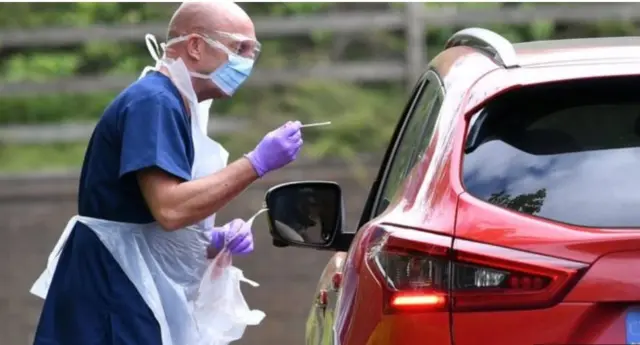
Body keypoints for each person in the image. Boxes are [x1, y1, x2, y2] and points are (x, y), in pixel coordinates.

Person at [29, 2, 303, 345]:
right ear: (195, 46)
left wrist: (209, 241)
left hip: (131, 281)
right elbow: (170, 209)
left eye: (253, 51)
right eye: (239, 48)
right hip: (114, 286)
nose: (247, 61)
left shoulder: (178, 103)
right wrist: (257, 163)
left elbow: (142, 213)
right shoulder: (154, 102)